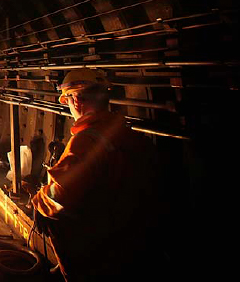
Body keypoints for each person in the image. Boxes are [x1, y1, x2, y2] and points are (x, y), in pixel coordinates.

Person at [30, 68, 159, 281]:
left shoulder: (85, 141)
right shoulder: (123, 132)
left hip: (96, 246)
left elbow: (61, 192)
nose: (70, 107)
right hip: (131, 239)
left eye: (68, 100)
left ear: (76, 100)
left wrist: (39, 202)